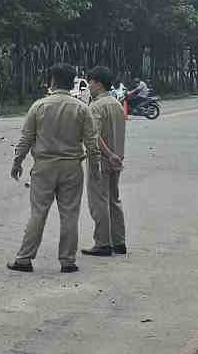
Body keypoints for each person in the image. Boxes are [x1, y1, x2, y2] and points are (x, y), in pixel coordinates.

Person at [9, 62, 101, 274]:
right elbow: (92, 142)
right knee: (69, 214)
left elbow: (26, 138)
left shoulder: (39, 106)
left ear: (52, 81)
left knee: (38, 213)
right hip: (72, 168)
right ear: (72, 83)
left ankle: (24, 259)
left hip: (44, 167)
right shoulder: (82, 108)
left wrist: (17, 161)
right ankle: (68, 261)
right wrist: (94, 167)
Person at [81, 65, 128, 257]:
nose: (88, 86)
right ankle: (119, 241)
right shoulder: (116, 103)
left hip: (102, 159)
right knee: (113, 200)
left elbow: (94, 136)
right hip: (117, 159)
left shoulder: (96, 106)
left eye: (90, 82)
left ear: (98, 83)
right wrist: (116, 155)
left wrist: (108, 154)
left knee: (98, 202)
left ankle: (102, 243)